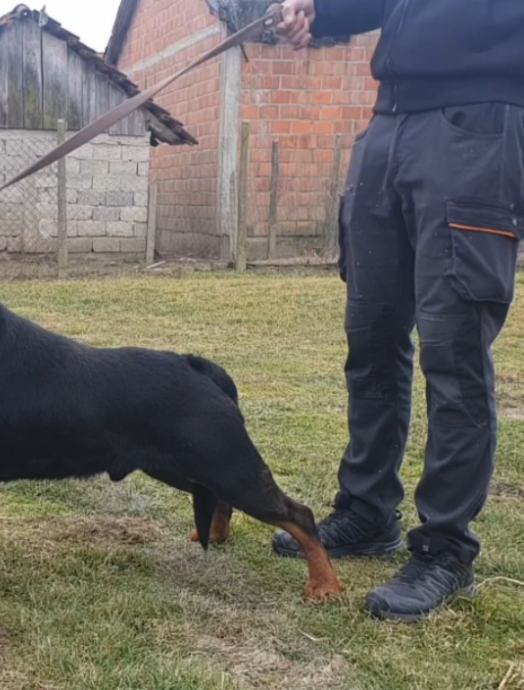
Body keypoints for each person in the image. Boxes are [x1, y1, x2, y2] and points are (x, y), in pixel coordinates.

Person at [271, 0, 524, 621]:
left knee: (453, 348)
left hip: (478, 120)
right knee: (372, 336)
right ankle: (367, 510)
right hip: (389, 121)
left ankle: (446, 548)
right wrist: (321, 12)